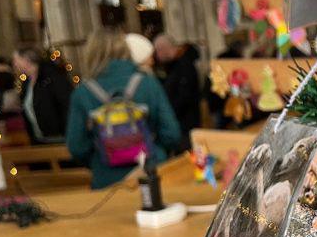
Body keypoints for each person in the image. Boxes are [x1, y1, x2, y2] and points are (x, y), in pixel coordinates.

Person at [66, 29, 181, 189]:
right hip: (151, 174)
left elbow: (76, 146)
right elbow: (172, 133)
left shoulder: (82, 93)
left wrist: (102, 158)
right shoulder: (148, 83)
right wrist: (154, 151)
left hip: (107, 181)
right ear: (124, 49)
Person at [13, 47, 72, 144]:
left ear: (26, 60)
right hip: (39, 139)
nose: (14, 64)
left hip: (60, 138)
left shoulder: (51, 77)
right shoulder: (26, 83)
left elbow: (66, 105)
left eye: (16, 60)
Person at [154, 34, 201, 151]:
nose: (156, 56)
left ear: (163, 49)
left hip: (186, 126)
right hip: (181, 123)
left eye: (157, 51)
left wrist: (167, 113)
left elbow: (184, 97)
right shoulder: (173, 67)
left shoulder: (184, 66)